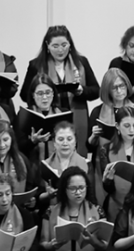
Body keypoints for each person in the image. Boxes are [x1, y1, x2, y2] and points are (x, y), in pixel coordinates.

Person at [19, 26, 99, 156]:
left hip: (76, 115)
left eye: (64, 45)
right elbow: (24, 95)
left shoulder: (81, 62)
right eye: (55, 46)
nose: (60, 50)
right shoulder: (36, 65)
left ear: (70, 44)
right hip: (48, 116)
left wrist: (80, 90)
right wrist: (44, 92)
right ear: (47, 46)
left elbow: (96, 91)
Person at [97, 105, 134, 220]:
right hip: (116, 205)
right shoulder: (106, 150)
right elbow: (107, 188)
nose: (131, 130)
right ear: (117, 126)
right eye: (126, 126)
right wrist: (109, 180)